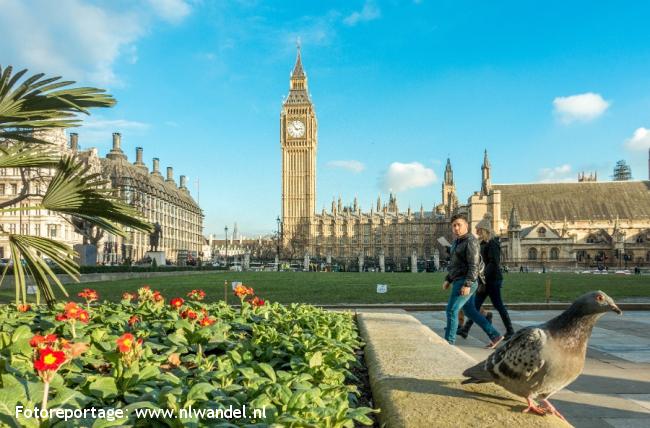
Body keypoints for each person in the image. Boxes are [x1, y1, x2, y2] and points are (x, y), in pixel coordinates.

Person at [442, 213, 503, 348]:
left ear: (466, 226)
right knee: (470, 311)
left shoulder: (471, 241)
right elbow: (455, 264)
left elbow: (473, 265)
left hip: (465, 281)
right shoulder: (456, 242)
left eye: (459, 225)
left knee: (452, 310)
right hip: (459, 279)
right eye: (454, 225)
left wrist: (468, 284)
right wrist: (448, 279)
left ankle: (448, 343)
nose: (456, 228)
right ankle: (495, 335)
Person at [457, 217, 515, 340]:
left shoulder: (493, 243)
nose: (476, 232)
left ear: (484, 230)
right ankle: (466, 329)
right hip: (484, 281)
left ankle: (510, 330)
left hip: (493, 280)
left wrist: (482, 278)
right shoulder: (482, 243)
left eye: (478, 229)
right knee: (475, 306)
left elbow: (493, 263)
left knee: (499, 305)